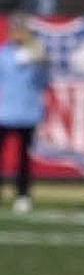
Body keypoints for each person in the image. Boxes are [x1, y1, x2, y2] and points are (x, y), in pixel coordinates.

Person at [0, 25, 50, 213]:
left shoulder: (36, 54)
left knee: (24, 160)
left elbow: (44, 83)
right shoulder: (4, 54)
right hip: (5, 113)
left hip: (28, 114)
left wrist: (41, 64)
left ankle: (23, 195)